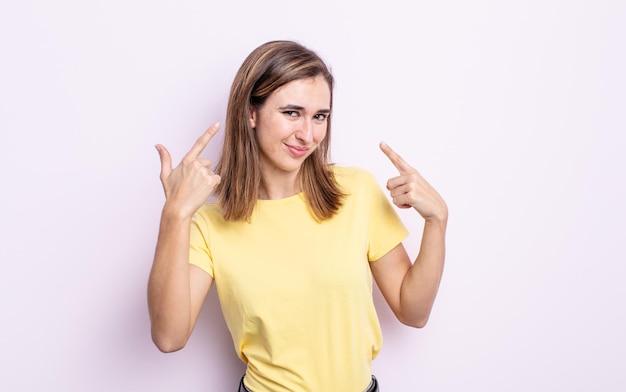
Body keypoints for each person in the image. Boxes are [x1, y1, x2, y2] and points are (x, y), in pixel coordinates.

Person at [148, 40, 447, 392]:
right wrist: (175, 215)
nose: (308, 134)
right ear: (251, 113)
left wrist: (437, 221)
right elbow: (169, 337)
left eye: (319, 116)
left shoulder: (357, 192)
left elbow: (413, 313)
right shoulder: (210, 225)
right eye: (292, 112)